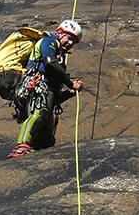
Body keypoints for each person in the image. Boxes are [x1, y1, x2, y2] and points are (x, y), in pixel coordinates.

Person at [7, 19, 83, 158]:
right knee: (40, 112)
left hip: (46, 90)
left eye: (74, 42)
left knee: (45, 125)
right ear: (59, 32)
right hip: (37, 85)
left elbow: (53, 98)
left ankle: (34, 148)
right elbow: (49, 63)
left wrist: (69, 93)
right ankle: (21, 146)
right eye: (69, 38)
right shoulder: (49, 41)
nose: (71, 43)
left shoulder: (59, 57)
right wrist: (70, 83)